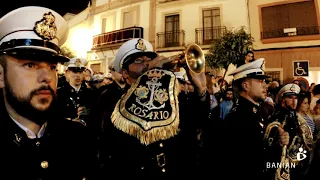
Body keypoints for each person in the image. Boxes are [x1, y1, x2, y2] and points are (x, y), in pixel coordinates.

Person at [0, 6, 97, 180]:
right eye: (30, 65)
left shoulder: (78, 138)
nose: (47, 77)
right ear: (1, 75)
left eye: (52, 67)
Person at [99, 38, 209, 177]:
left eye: (149, 59)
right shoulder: (112, 98)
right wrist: (148, 71)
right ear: (125, 73)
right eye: (139, 61)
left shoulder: (169, 95)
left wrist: (201, 90)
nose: (146, 63)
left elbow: (195, 121)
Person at [216, 58, 290, 179]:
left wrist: (279, 142)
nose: (266, 85)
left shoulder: (256, 113)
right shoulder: (237, 118)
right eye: (260, 81)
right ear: (245, 85)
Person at [266, 84, 314, 180]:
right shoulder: (277, 119)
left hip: (299, 166)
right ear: (283, 100)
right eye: (290, 98)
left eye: (296, 98)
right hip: (282, 168)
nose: (294, 101)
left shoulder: (297, 119)